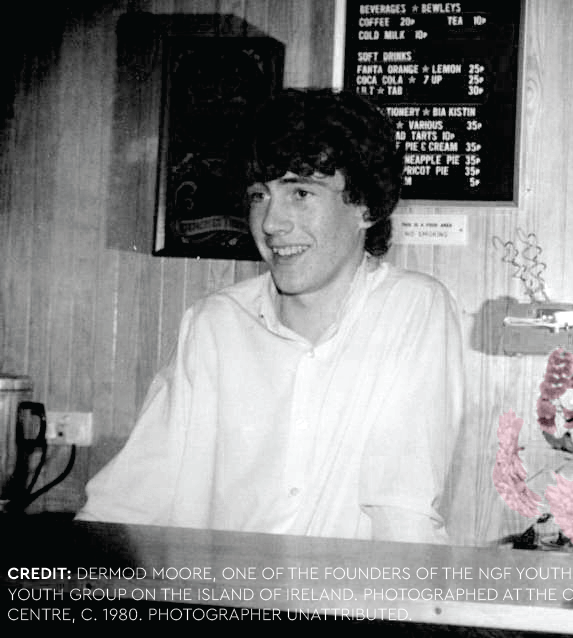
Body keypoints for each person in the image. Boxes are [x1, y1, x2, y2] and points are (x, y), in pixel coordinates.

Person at [77, 89, 464, 543]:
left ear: (367, 207)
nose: (270, 223)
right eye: (260, 195)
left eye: (300, 192)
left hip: (350, 607)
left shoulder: (412, 309)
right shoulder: (214, 324)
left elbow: (404, 509)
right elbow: (133, 494)